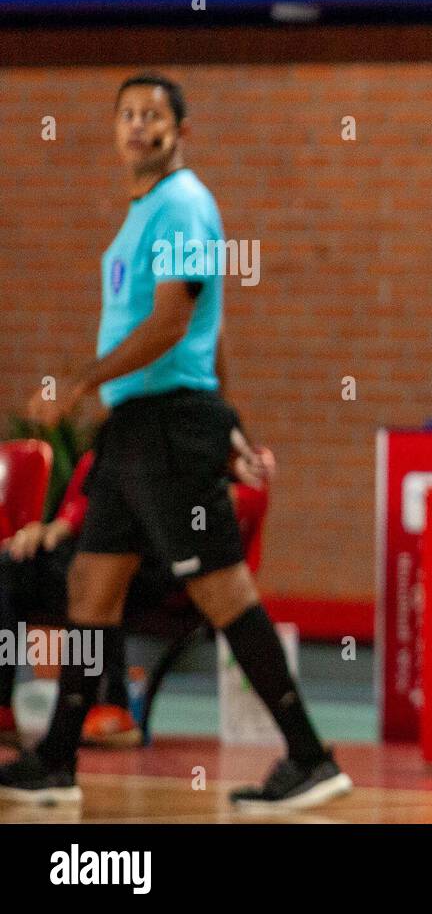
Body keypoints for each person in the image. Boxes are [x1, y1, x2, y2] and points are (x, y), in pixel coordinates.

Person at [0, 72, 350, 810]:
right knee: (90, 589)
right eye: (126, 114)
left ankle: (311, 755)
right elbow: (213, 330)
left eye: (154, 115)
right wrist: (228, 419)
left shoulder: (185, 205)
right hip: (136, 430)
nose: (138, 126)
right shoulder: (142, 214)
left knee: (222, 589)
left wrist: (82, 384)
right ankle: (58, 760)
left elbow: (175, 324)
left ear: (180, 130)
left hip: (168, 424)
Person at [0, 439, 273, 749]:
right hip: (89, 559)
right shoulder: (102, 457)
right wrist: (44, 531)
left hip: (174, 575)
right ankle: (3, 707)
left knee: (103, 568)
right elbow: (73, 518)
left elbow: (222, 504)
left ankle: (113, 704)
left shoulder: (229, 460)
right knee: (11, 565)